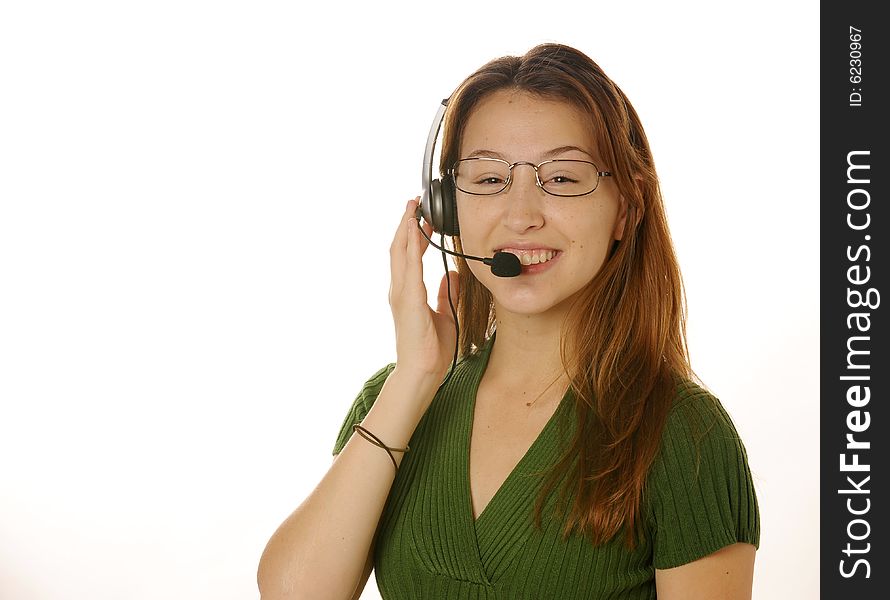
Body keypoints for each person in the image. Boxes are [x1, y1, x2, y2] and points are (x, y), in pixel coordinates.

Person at [257, 43, 760, 600]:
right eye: (490, 180)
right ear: (445, 207)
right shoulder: (395, 401)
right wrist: (414, 377)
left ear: (626, 209)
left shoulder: (684, 433)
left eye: (564, 179)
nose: (522, 215)